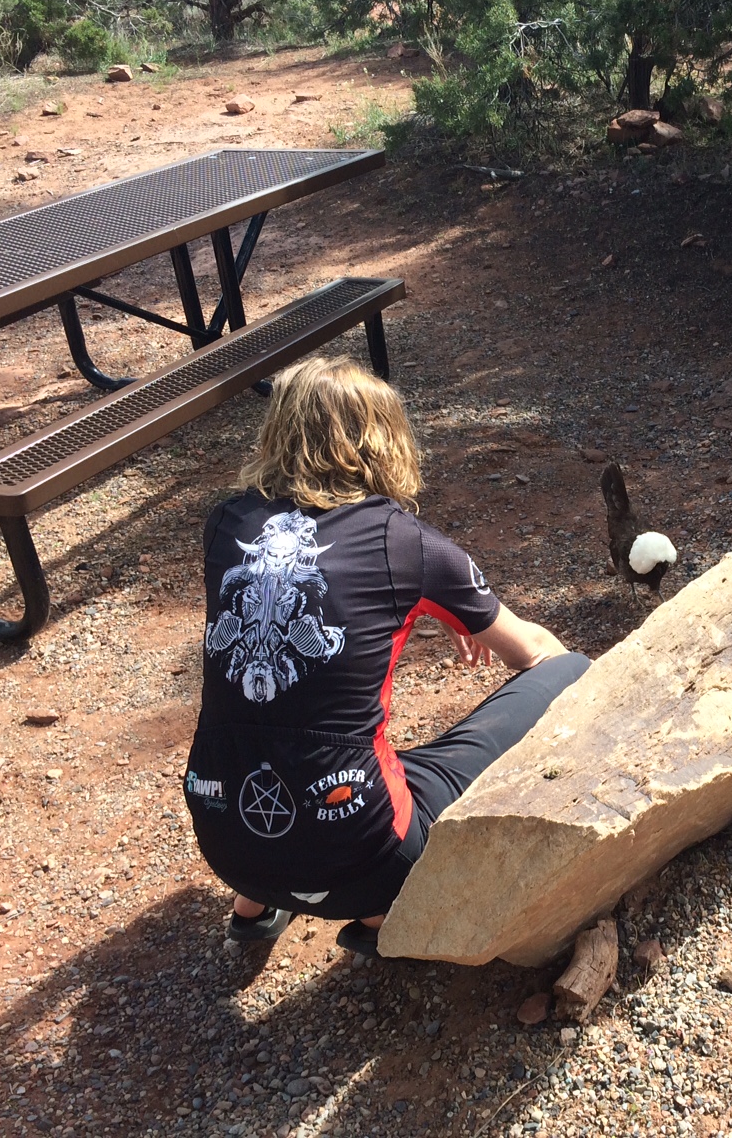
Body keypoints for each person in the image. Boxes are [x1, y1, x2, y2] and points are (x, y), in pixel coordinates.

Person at [183, 354, 589, 957]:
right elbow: (531, 650)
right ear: (384, 440)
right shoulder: (405, 543)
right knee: (569, 671)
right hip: (362, 850)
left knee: (282, 728)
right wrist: (452, 604)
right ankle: (379, 914)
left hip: (223, 836)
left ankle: (256, 903)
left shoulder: (227, 525)